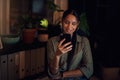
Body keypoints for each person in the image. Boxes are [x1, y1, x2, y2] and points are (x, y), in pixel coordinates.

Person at [47, 9, 93, 80]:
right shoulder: (52, 42)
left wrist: (63, 75)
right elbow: (53, 73)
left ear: (77, 24)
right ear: (61, 22)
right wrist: (57, 55)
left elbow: (89, 69)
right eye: (66, 22)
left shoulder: (84, 41)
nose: (69, 27)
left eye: (73, 24)